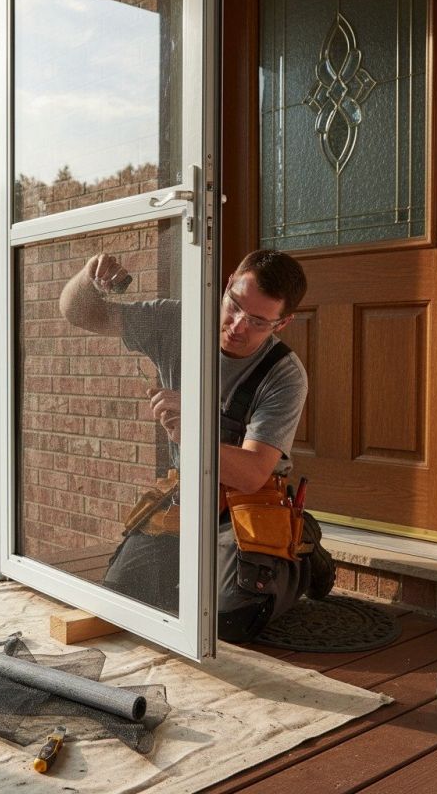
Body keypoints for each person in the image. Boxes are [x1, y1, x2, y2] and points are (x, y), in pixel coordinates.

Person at [58, 248, 335, 642]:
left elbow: (254, 473)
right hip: (187, 496)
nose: (238, 325)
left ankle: (302, 553)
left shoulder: (285, 376)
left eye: (257, 320)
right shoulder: (176, 322)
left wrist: (194, 426)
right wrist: (89, 278)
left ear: (282, 323)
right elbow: (80, 313)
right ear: (226, 287)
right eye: (234, 305)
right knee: (124, 595)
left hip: (247, 502)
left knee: (228, 621)